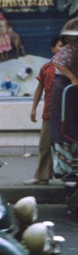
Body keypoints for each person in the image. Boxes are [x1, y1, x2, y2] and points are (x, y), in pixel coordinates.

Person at [25, 36, 63, 185]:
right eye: (60, 46)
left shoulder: (72, 67)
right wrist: (33, 108)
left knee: (69, 145)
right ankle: (42, 176)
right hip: (49, 111)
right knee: (45, 144)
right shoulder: (46, 67)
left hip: (68, 112)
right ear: (53, 49)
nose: (63, 49)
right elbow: (39, 88)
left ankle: (69, 176)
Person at [50, 18, 78, 187]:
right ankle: (67, 169)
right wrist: (73, 78)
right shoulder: (72, 49)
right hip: (65, 89)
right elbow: (57, 62)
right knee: (66, 127)